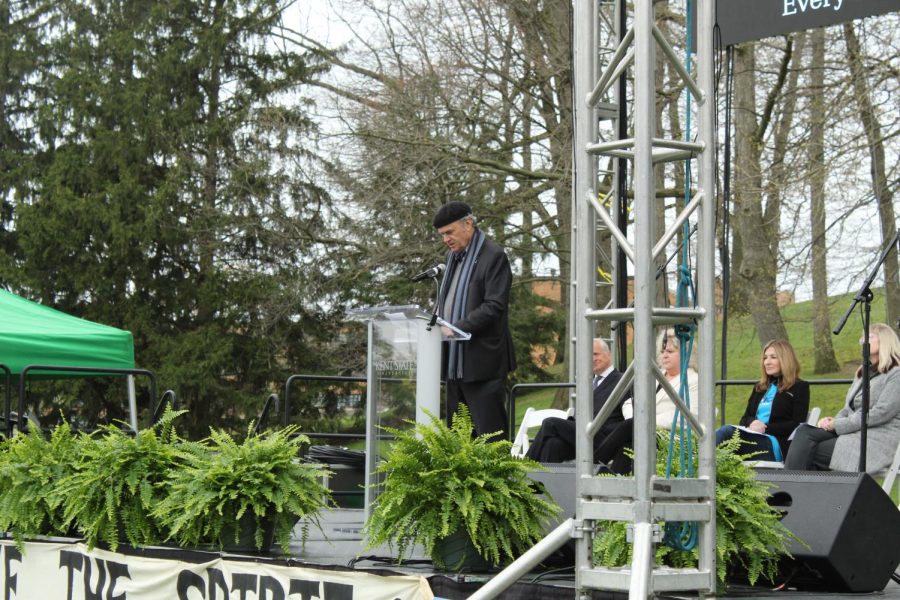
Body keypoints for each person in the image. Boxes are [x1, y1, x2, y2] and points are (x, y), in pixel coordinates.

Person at [433, 201, 516, 442]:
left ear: (468, 224)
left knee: (490, 441)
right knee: (458, 442)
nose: (445, 239)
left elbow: (494, 305)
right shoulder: (452, 259)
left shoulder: (494, 256)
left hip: (483, 364)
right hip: (454, 365)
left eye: (449, 232)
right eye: (442, 235)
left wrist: (457, 328)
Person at [784, 323, 900, 473]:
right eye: (862, 337)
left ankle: (790, 493)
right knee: (805, 432)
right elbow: (848, 408)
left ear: (885, 341)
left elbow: (881, 413)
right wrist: (831, 421)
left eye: (869, 336)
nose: (862, 341)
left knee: (809, 451)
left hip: (876, 441)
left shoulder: (896, 374)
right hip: (854, 434)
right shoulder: (862, 373)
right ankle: (798, 493)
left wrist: (838, 424)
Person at [595, 328, 700, 473]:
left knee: (631, 427)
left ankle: (593, 462)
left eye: (670, 352)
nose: (664, 356)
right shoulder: (655, 376)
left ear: (686, 353)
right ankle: (611, 481)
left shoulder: (694, 380)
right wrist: (638, 420)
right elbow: (629, 402)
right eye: (662, 352)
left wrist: (647, 421)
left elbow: (689, 416)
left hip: (671, 437)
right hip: (643, 431)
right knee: (628, 447)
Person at [525, 338, 627, 462]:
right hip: (583, 434)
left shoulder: (622, 381)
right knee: (553, 444)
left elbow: (628, 418)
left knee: (550, 423)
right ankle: (538, 481)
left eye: (596, 354)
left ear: (609, 354)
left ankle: (521, 468)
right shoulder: (589, 382)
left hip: (604, 438)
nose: (592, 359)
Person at [715, 339, 809, 461]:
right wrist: (752, 423)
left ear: (786, 359)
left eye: (773, 357)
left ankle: (695, 464)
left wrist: (765, 428)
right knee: (721, 443)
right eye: (765, 358)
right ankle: (703, 468)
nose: (767, 362)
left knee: (726, 432)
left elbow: (797, 424)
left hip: (775, 444)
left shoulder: (799, 387)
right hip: (751, 437)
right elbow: (744, 419)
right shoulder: (760, 387)